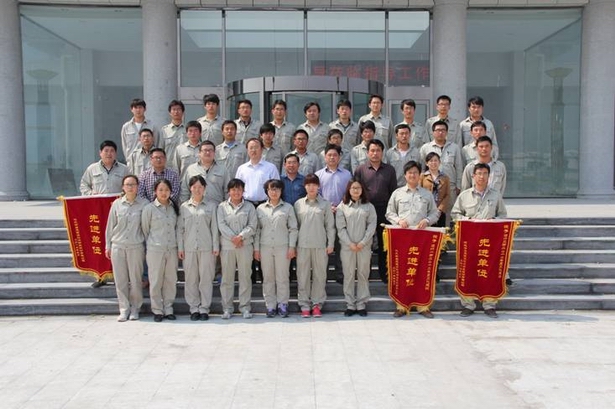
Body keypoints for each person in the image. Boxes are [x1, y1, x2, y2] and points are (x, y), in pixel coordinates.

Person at [451, 163, 507, 318]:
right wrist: (468, 220)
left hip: (489, 242)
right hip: (469, 241)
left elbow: (502, 215)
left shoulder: (496, 195)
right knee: (467, 271)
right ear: (473, 176)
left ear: (489, 176)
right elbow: (455, 214)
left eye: (485, 173)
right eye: (479, 173)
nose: (481, 177)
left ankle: (489, 305)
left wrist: (494, 220)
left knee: (489, 271)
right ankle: (468, 305)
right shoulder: (464, 195)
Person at [385, 161, 440, 318]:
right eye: (409, 172)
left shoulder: (427, 194)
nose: (412, 175)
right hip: (402, 239)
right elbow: (389, 213)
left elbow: (435, 213)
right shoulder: (397, 193)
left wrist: (427, 220)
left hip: (422, 239)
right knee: (402, 271)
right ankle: (401, 305)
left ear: (419, 175)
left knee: (422, 271)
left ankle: (423, 306)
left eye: (415, 172)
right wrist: (398, 221)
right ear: (405, 175)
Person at [80, 139, 130, 288]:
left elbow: (130, 186)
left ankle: (118, 275)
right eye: (106, 151)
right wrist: (91, 194)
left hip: (119, 211)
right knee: (100, 242)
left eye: (112, 151)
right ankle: (100, 275)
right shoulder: (92, 169)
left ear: (116, 153)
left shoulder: (124, 170)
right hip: (98, 212)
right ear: (100, 153)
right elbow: (84, 185)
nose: (109, 153)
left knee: (117, 241)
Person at [353, 139, 398, 284]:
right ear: (367, 153)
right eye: (372, 150)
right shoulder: (360, 170)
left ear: (382, 152)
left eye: (378, 150)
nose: (375, 153)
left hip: (384, 210)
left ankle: (385, 273)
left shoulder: (389, 170)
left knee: (384, 244)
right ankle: (364, 274)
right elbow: (355, 190)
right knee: (364, 243)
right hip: (365, 210)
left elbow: (393, 192)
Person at [105, 175, 148, 321]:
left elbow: (146, 228)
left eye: (133, 184)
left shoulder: (144, 204)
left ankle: (135, 308)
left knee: (136, 280)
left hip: (136, 247)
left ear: (137, 187)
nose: (130, 187)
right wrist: (108, 245)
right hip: (118, 246)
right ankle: (124, 309)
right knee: (120, 280)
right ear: (123, 187)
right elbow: (110, 227)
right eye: (127, 184)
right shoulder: (117, 204)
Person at [177, 175, 219, 321]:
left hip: (207, 247)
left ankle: (204, 308)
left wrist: (215, 246)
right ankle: (194, 308)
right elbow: (180, 229)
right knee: (191, 279)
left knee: (206, 278)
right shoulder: (184, 207)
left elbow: (214, 228)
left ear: (204, 188)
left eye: (200, 187)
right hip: (189, 248)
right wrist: (180, 248)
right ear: (190, 188)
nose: (197, 190)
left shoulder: (211, 206)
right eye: (194, 187)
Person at [254, 179, 298, 318]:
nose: (274, 192)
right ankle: (270, 305)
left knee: (282, 277)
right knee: (268, 277)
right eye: (271, 189)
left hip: (283, 247)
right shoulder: (260, 209)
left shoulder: (288, 208)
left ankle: (283, 304)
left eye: (277, 189)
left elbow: (293, 229)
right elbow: (257, 230)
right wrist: (256, 249)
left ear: (281, 191)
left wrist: (292, 247)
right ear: (266, 191)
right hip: (265, 247)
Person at [294, 174, 335, 318]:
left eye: (314, 185)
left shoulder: (325, 204)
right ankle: (304, 304)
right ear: (304, 186)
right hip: (302, 246)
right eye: (308, 185)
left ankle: (317, 304)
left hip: (320, 245)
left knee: (320, 275)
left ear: (318, 186)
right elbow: (295, 227)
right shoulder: (298, 204)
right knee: (303, 276)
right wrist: (293, 246)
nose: (311, 187)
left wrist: (330, 243)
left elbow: (330, 226)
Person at [217, 178, 258, 319]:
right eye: (233, 189)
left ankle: (245, 307)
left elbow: (252, 225)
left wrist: (240, 237)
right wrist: (234, 238)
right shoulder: (222, 207)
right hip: (228, 247)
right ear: (229, 191)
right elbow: (221, 225)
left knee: (245, 277)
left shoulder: (249, 207)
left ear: (243, 191)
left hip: (245, 246)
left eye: (239, 189)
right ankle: (227, 308)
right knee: (227, 278)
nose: (236, 192)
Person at [335, 179, 377, 317]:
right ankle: (350, 304)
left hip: (363, 246)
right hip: (348, 247)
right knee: (348, 275)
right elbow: (340, 228)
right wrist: (350, 243)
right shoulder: (342, 207)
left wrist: (363, 242)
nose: (355, 190)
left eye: (358, 188)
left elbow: (371, 226)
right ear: (348, 190)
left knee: (363, 274)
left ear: (362, 190)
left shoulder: (369, 207)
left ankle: (361, 304)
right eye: (353, 188)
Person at [141, 178, 179, 322]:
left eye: (166, 190)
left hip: (172, 249)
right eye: (160, 190)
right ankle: (157, 310)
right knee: (155, 280)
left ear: (171, 192)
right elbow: (145, 230)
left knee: (170, 279)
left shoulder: (174, 208)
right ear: (155, 191)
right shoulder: (149, 209)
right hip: (155, 250)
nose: (164, 193)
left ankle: (168, 308)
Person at [316, 144, 352, 281]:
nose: (332, 157)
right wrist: (327, 206)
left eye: (335, 155)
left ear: (339, 157)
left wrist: (340, 206)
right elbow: (317, 193)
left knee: (341, 244)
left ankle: (340, 274)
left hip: (342, 213)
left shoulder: (347, 174)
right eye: (329, 155)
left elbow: (349, 192)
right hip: (324, 214)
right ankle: (322, 275)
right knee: (324, 244)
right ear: (325, 157)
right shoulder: (319, 175)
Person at [420, 120, 463, 220]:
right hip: (429, 187)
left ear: (447, 132)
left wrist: (458, 185)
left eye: (443, 130)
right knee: (428, 213)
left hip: (449, 186)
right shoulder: (425, 148)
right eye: (438, 130)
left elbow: (459, 167)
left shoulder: (454, 147)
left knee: (449, 214)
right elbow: (422, 168)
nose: (440, 132)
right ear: (433, 132)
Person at [180, 141, 229, 205]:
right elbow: (185, 191)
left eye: (210, 150)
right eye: (205, 150)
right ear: (199, 153)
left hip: (216, 207)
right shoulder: (191, 169)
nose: (208, 152)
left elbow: (227, 191)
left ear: (214, 153)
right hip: (196, 208)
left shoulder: (223, 169)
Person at [419, 152, 450, 228]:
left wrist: (440, 209)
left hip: (440, 212)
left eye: (435, 160)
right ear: (427, 163)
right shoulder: (422, 176)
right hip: (426, 211)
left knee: (440, 232)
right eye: (431, 161)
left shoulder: (445, 177)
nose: (433, 163)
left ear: (439, 162)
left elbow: (447, 195)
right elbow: (419, 191)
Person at [159, 100, 187, 171]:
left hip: (185, 165)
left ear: (183, 112)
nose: (176, 112)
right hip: (169, 166)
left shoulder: (188, 129)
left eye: (178, 109)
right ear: (170, 112)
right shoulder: (164, 130)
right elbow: (160, 149)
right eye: (174, 109)